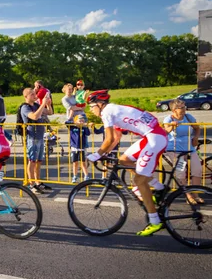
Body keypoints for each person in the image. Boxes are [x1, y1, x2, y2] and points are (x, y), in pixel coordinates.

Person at [86, 90, 168, 236]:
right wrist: (102, 154)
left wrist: (96, 155)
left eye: (92, 106)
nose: (90, 110)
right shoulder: (115, 110)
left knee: (139, 180)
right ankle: (159, 188)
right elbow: (115, 139)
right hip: (152, 136)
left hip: (154, 138)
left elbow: (109, 139)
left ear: (100, 104)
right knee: (124, 160)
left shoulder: (107, 112)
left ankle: (155, 221)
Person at [163, 99, 204, 204]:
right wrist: (172, 126)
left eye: (184, 106)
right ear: (174, 110)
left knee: (197, 170)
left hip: (190, 148)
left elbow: (197, 128)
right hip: (175, 149)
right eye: (181, 107)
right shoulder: (168, 118)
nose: (184, 108)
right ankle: (188, 195)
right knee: (181, 172)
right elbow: (165, 132)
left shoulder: (188, 117)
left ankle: (196, 194)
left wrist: (195, 138)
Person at [20, 88, 53, 194]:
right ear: (26, 96)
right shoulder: (25, 107)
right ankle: (31, 184)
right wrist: (42, 104)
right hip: (32, 137)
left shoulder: (36, 105)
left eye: (35, 94)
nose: (35, 96)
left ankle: (38, 182)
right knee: (32, 160)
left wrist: (47, 104)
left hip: (40, 136)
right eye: (32, 94)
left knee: (39, 161)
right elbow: (34, 117)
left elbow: (49, 112)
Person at [65, 114, 91, 183]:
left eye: (82, 121)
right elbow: (66, 122)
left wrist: (86, 126)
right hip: (74, 148)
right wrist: (75, 123)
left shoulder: (84, 128)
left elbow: (88, 133)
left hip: (82, 148)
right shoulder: (72, 127)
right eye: (80, 120)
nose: (81, 122)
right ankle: (75, 176)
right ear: (76, 121)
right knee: (75, 163)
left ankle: (86, 175)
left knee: (83, 163)